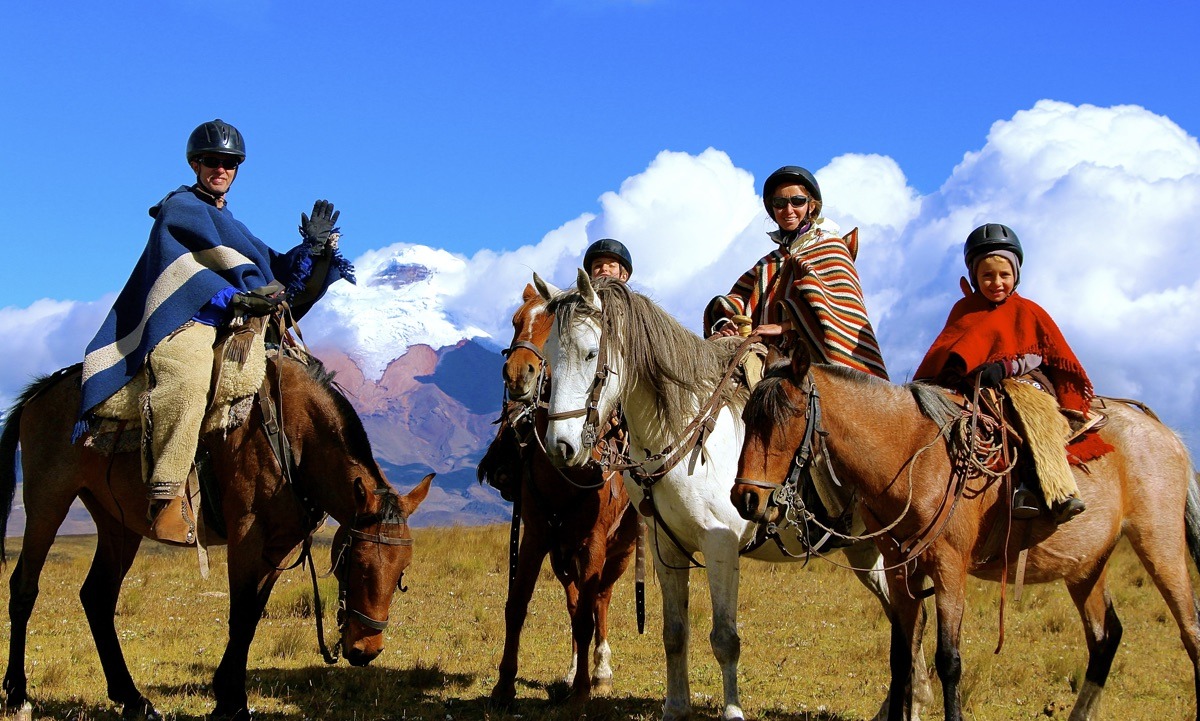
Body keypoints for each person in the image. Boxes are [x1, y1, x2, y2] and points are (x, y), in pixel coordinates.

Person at [78, 118, 354, 513]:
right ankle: (166, 490)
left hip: (235, 325)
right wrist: (233, 299)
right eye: (211, 160)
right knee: (188, 382)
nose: (220, 169)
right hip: (185, 322)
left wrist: (313, 248)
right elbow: (181, 274)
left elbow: (270, 271)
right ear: (196, 164)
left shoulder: (229, 221)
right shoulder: (179, 209)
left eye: (230, 163)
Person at [914, 223, 1093, 522]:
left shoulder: (1027, 310)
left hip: (1023, 380)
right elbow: (947, 348)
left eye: (1004, 275)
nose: (996, 282)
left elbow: (1039, 351)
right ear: (974, 277)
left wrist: (1005, 367)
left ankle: (1056, 490)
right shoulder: (964, 310)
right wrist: (953, 371)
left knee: (1030, 412)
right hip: (973, 384)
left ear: (1016, 275)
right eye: (987, 275)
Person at [704, 165, 888, 379]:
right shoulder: (768, 263)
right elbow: (738, 299)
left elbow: (838, 312)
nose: (788, 210)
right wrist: (727, 323)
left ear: (811, 205)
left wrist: (783, 326)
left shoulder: (831, 249)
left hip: (813, 364)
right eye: (779, 203)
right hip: (767, 361)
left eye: (797, 201)